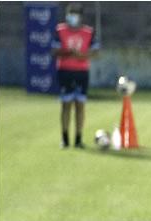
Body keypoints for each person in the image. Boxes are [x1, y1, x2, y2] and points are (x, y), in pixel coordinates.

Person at [51, 3, 99, 149]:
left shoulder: (89, 32)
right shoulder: (60, 30)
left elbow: (96, 52)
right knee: (66, 105)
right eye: (70, 13)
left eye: (75, 14)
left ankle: (78, 139)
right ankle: (64, 139)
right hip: (65, 71)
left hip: (82, 72)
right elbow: (54, 51)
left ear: (80, 16)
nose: (72, 16)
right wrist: (68, 52)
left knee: (80, 105)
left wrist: (81, 55)